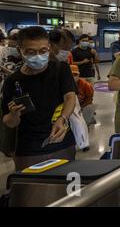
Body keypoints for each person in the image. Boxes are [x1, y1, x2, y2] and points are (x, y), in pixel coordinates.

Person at [1, 27, 77, 171]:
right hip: (29, 148)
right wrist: (14, 115)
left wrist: (63, 119)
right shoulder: (13, 81)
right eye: (31, 52)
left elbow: (70, 98)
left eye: (43, 51)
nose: (38, 56)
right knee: (32, 188)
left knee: (65, 186)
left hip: (61, 140)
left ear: (49, 48)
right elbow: (9, 122)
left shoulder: (61, 69)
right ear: (20, 51)